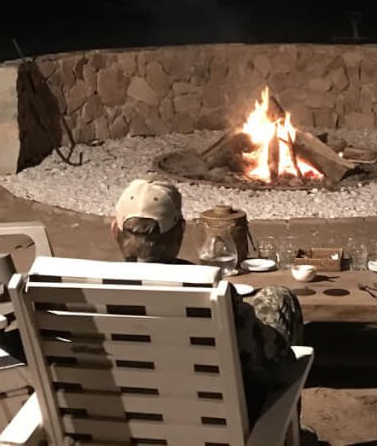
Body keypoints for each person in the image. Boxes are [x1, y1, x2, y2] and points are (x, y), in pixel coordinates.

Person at [111, 177, 305, 421]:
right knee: (278, 299)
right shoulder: (210, 292)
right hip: (217, 425)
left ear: (114, 230)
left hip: (119, 423)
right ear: (181, 231)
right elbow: (277, 365)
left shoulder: (82, 294)